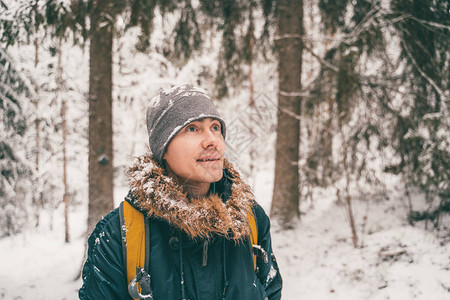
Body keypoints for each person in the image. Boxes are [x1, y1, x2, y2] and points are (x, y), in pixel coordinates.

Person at [79, 84, 282, 300]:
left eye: (215, 127)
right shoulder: (118, 235)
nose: (212, 140)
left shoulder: (250, 219)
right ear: (163, 148)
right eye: (192, 128)